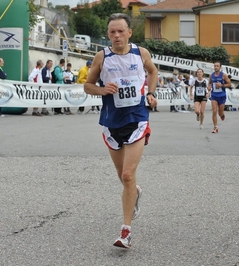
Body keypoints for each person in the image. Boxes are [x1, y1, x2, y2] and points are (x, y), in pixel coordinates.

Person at [83, 13, 158, 249]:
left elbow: (153, 72)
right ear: (108, 35)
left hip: (136, 119)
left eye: (120, 31)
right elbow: (87, 86)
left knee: (127, 174)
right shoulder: (101, 58)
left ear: (129, 33)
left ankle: (125, 232)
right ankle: (134, 192)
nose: (116, 36)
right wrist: (102, 89)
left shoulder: (141, 53)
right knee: (122, 177)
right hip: (111, 121)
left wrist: (151, 93)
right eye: (112, 32)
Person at [208, 61, 231, 133]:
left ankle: (222, 114)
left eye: (217, 66)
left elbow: (229, 84)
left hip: (222, 95)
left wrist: (221, 85)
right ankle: (215, 127)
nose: (216, 67)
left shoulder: (224, 75)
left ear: (220, 67)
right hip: (214, 95)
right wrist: (209, 87)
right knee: (214, 111)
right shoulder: (211, 75)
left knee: (220, 113)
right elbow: (209, 83)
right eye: (215, 66)